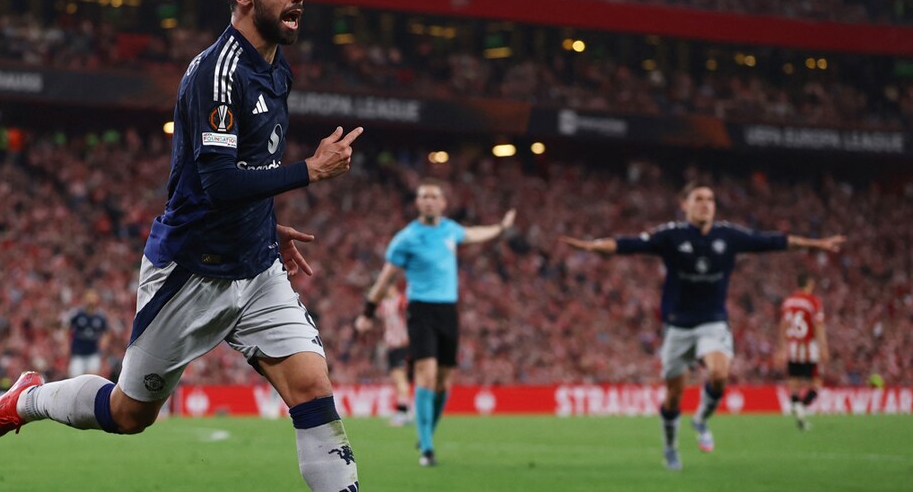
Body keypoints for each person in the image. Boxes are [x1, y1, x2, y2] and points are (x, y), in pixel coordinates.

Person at [0, 0, 363, 491]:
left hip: (255, 269)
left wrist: (265, 223)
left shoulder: (277, 69)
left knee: (312, 389)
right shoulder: (219, 71)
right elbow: (218, 183)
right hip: (192, 270)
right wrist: (311, 170)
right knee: (130, 413)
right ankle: (29, 400)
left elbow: (243, 174)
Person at [560, 181, 844, 470]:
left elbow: (772, 241)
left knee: (720, 374)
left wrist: (814, 244)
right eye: (698, 198)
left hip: (713, 322)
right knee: (674, 395)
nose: (705, 203)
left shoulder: (728, 235)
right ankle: (670, 448)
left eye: (710, 198)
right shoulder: (672, 235)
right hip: (678, 326)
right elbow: (628, 245)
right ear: (685, 204)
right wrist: (592, 246)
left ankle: (701, 420)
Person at [355, 178, 515, 467]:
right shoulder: (406, 238)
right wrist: (367, 312)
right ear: (418, 203)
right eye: (424, 196)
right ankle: (427, 448)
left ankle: (427, 432)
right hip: (421, 312)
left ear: (443, 203)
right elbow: (385, 279)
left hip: (448, 312)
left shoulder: (450, 230)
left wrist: (501, 228)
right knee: (426, 375)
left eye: (434, 196)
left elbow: (474, 233)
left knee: (444, 382)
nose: (429, 200)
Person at [775, 272, 829, 431]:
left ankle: (798, 411)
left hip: (792, 347)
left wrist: (780, 348)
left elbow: (783, 325)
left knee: (794, 384)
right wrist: (823, 347)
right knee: (817, 383)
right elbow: (818, 325)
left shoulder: (788, 302)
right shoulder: (813, 301)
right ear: (809, 284)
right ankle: (803, 407)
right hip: (809, 347)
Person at [378, 286, 412, 426]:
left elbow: (410, 315)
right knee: (397, 379)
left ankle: (404, 412)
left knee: (400, 378)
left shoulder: (400, 300)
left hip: (401, 345)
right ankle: (403, 411)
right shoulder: (384, 304)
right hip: (392, 346)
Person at [67, 289, 109, 378]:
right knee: (75, 378)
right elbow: (66, 327)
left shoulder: (100, 316)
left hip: (93, 352)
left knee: (92, 378)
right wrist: (66, 343)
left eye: (93, 297)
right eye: (89, 297)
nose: (91, 300)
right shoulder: (77, 314)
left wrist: (104, 343)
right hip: (78, 353)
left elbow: (106, 332)